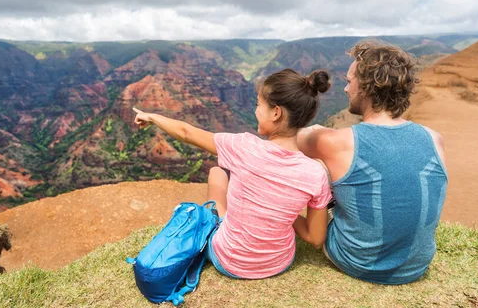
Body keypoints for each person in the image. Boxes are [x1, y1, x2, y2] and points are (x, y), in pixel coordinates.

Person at [133, 68, 333, 279]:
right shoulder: (314, 173)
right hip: (278, 263)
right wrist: (282, 212)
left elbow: (186, 133)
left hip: (228, 260)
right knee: (223, 174)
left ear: (276, 112)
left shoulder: (242, 146)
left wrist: (152, 116)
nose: (256, 111)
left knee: (217, 172)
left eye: (258, 105)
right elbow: (315, 238)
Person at [296, 40, 448, 285]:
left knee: (318, 169)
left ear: (365, 87)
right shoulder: (435, 139)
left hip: (357, 262)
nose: (345, 89)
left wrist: (317, 131)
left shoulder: (335, 142)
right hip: (417, 265)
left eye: (348, 81)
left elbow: (291, 139)